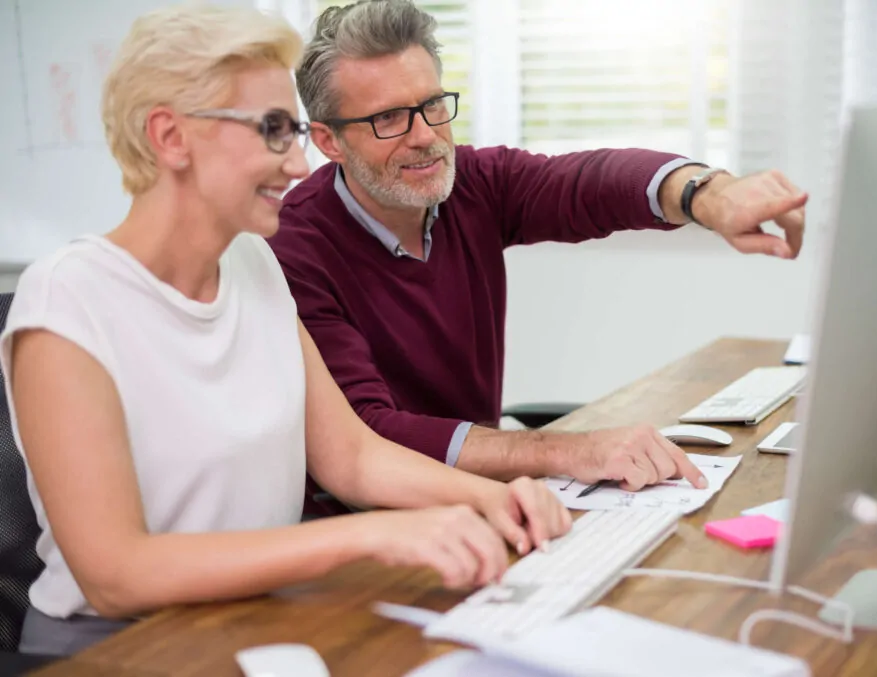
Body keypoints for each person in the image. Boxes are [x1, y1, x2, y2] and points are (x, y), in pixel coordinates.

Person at [0, 5, 569, 657]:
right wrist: (371, 537)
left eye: (295, 130)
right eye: (273, 130)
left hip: (257, 623)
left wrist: (495, 501)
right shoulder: (70, 297)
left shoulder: (253, 262)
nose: (300, 164)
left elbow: (351, 456)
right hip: (122, 648)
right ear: (169, 136)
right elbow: (117, 574)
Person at [269, 0, 807, 514]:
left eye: (433, 105)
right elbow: (368, 433)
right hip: (368, 532)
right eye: (390, 118)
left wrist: (707, 195)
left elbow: (586, 183)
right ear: (328, 140)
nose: (426, 137)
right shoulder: (294, 250)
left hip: (490, 506)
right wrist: (565, 449)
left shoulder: (471, 185)